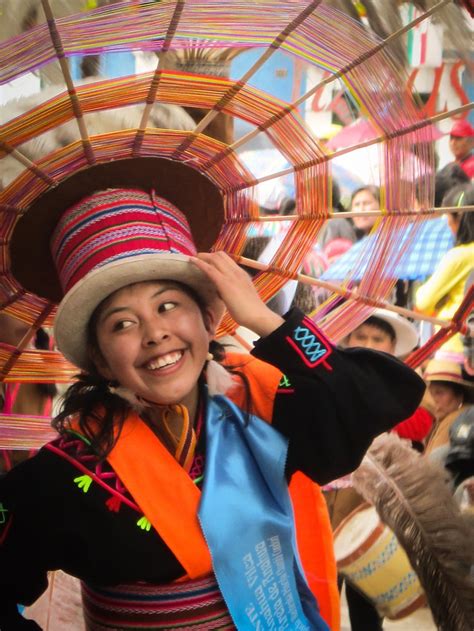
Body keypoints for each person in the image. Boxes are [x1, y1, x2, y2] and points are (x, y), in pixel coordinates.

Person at [0, 188, 425, 631]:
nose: (155, 333)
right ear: (101, 359)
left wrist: (269, 322)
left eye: (169, 306)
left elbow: (378, 397)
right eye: (122, 323)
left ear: (207, 320)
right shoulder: (61, 474)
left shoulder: (262, 414)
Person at [323, 309, 433, 631]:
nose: (369, 343)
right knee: (325, 587)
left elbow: (420, 424)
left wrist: (375, 406)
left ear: (392, 345)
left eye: (377, 339)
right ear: (349, 339)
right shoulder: (334, 375)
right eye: (362, 336)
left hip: (373, 506)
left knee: (366, 598)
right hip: (329, 497)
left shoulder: (406, 382)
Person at [415, 184, 474, 361]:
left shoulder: (458, 255)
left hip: (455, 344)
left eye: (447, 215)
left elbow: (423, 302)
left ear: (459, 218)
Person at [423, 358, 474, 463]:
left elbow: (433, 465)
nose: (434, 400)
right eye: (431, 393)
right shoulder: (444, 418)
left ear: (459, 395)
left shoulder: (457, 419)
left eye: (440, 393)